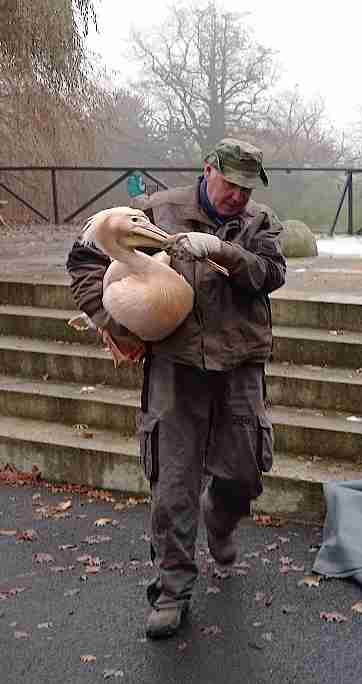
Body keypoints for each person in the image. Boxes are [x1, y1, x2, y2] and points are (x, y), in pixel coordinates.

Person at [67, 138, 287, 639]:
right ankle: (172, 590)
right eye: (231, 184)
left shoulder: (259, 223)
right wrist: (112, 321)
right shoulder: (154, 212)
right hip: (175, 364)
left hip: (238, 363)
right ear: (208, 170)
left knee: (245, 473)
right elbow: (84, 257)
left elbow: (271, 274)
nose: (239, 197)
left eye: (247, 188)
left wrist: (224, 251)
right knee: (173, 483)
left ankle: (222, 519)